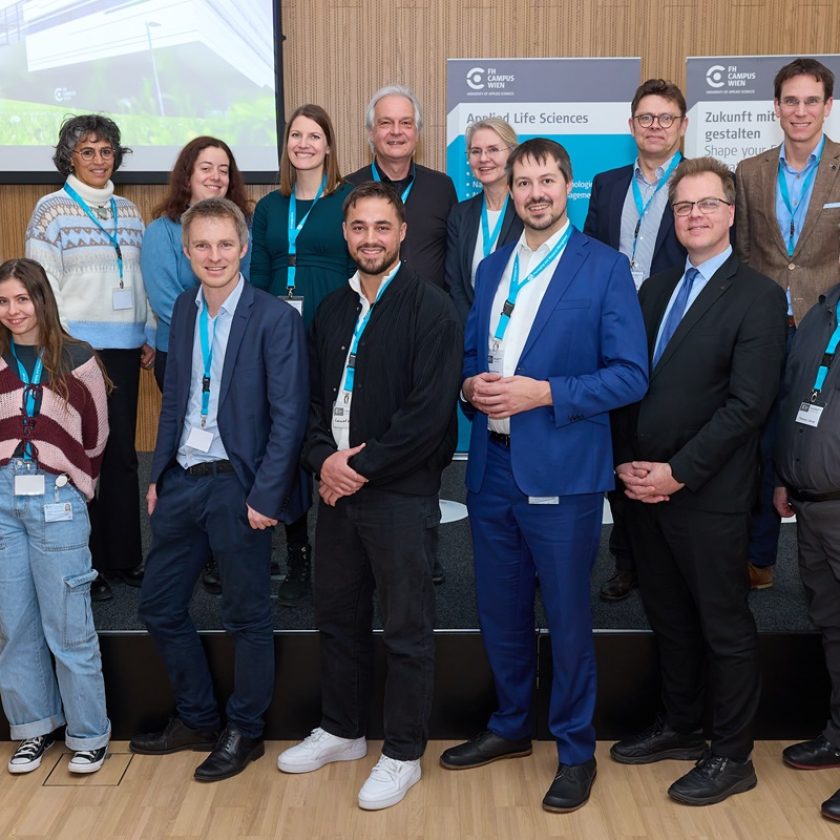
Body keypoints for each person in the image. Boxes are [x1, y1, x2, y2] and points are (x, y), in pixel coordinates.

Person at [440, 138, 648, 813]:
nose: (534, 193)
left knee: (566, 615)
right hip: (492, 468)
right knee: (498, 611)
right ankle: (508, 726)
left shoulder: (604, 267)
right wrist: (471, 383)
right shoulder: (496, 263)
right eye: (524, 181)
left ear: (569, 187)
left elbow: (629, 374)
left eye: (547, 181)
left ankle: (576, 750)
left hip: (561, 470)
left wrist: (546, 393)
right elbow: (475, 347)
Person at [276, 182, 462, 811]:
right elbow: (306, 402)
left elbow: (429, 415)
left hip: (399, 495)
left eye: (382, 227)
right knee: (339, 617)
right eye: (359, 227)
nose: (370, 239)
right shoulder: (330, 309)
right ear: (345, 233)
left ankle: (404, 752)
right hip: (336, 492)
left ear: (403, 232)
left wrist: (361, 468)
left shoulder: (433, 308)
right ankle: (344, 729)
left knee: (407, 628)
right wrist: (323, 461)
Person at [610, 157, 787, 805]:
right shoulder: (653, 290)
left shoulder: (761, 298)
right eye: (683, 207)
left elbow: (748, 406)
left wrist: (678, 472)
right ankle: (682, 725)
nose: (694, 216)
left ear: (732, 213)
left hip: (708, 494)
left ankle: (732, 755)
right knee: (670, 619)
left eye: (707, 205)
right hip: (643, 490)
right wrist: (628, 462)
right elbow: (630, 386)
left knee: (723, 625)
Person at [129, 198, 308, 782]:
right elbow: (176, 397)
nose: (213, 255)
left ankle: (245, 730)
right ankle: (199, 717)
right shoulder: (182, 310)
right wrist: (158, 476)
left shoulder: (275, 318)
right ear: (186, 251)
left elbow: (289, 417)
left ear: (243, 248)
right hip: (182, 482)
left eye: (224, 244)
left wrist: (267, 496)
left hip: (238, 486)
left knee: (246, 615)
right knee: (157, 605)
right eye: (201, 245)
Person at [25, 114, 154, 602]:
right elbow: (43, 285)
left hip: (123, 350)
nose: (99, 160)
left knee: (121, 456)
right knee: (80, 458)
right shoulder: (50, 211)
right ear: (69, 158)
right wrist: (63, 348)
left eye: (106, 151)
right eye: (88, 151)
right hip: (76, 353)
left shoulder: (129, 210)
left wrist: (148, 331)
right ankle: (88, 564)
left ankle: (124, 560)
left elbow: (140, 280)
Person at [0, 257, 111, 775]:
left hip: (58, 499)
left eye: (22, 299)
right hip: (3, 503)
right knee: (15, 626)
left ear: (42, 299)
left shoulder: (78, 357)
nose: (13, 310)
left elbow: (96, 436)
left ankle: (89, 735)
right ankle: (33, 728)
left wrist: (69, 472)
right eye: (3, 301)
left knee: (68, 626)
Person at [735, 57, 840, 589]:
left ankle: (822, 559)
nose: (800, 111)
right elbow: (747, 253)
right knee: (759, 439)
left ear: (827, 106)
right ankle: (759, 556)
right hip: (767, 327)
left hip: (830, 330)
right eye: (791, 100)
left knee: (821, 447)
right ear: (775, 107)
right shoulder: (750, 172)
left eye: (811, 100)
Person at [584, 78, 689, 602]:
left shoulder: (699, 182)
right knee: (619, 445)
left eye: (665, 118)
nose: (655, 127)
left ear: (682, 126)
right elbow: (585, 257)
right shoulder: (605, 185)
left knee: (668, 441)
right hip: (613, 330)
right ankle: (626, 561)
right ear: (631, 126)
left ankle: (670, 561)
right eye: (645, 118)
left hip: (675, 326)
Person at [250, 104, 354, 605]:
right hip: (277, 331)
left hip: (333, 325)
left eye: (315, 135)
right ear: (286, 144)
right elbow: (257, 271)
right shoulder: (271, 206)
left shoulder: (348, 199)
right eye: (297, 135)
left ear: (329, 146)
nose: (305, 143)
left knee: (333, 429)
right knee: (284, 436)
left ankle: (347, 546)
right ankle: (298, 554)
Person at [774, 272, 840, 822]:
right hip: (811, 501)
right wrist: (785, 474)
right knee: (832, 626)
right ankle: (838, 735)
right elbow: (798, 393)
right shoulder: (821, 311)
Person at [142, 136, 253, 391]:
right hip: (180, 351)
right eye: (206, 168)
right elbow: (165, 302)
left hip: (234, 351)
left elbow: (246, 289)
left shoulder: (245, 229)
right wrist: (213, 328)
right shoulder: (161, 232)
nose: (216, 176)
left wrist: (227, 333)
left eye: (223, 171)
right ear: (187, 177)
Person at [346, 85, 457, 287]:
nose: (396, 131)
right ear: (371, 132)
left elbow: (454, 261)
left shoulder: (442, 188)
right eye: (386, 123)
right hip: (367, 311)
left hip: (428, 313)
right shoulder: (347, 188)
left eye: (406, 123)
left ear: (417, 132)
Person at [445, 117, 523, 323]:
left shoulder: (528, 211)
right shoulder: (460, 214)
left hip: (519, 329)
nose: (483, 158)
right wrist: (471, 328)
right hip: (470, 332)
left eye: (493, 150)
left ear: (512, 154)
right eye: (476, 151)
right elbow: (455, 284)